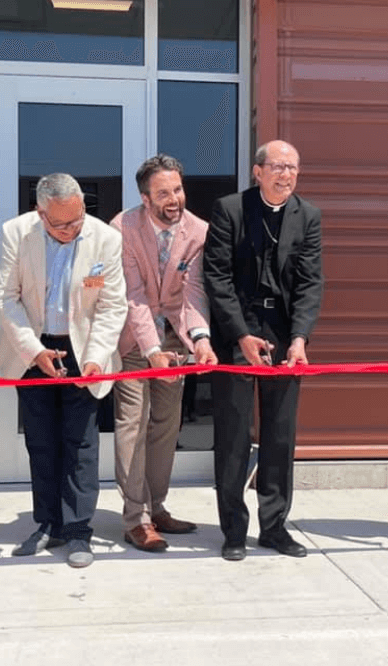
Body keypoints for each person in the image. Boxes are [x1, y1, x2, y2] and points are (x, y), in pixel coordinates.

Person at [0, 173, 127, 568]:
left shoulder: (105, 238)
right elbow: (6, 298)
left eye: (78, 219)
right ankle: (48, 523)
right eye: (61, 224)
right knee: (42, 439)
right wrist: (35, 352)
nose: (72, 229)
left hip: (83, 347)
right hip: (32, 346)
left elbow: (111, 306)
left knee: (81, 442)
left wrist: (95, 358)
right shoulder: (17, 233)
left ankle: (79, 529)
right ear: (40, 212)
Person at [203, 139, 323, 561]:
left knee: (279, 436)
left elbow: (310, 282)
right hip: (239, 332)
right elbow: (216, 277)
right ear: (257, 171)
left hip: (284, 333)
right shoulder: (230, 209)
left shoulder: (307, 216)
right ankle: (234, 530)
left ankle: (274, 526)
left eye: (293, 167)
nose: (285, 174)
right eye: (277, 166)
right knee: (234, 437)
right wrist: (239, 335)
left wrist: (299, 338)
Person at [108, 155, 218, 552]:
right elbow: (132, 294)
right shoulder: (122, 227)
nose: (174, 199)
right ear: (144, 197)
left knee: (167, 425)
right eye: (163, 193)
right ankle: (135, 518)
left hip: (176, 342)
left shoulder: (200, 231)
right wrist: (150, 348)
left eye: (177, 189)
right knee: (132, 424)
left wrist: (201, 339)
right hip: (135, 341)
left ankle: (157, 507)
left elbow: (193, 293)